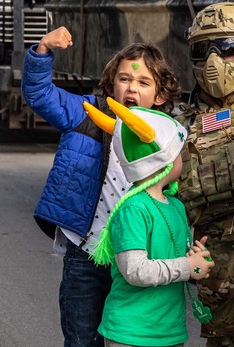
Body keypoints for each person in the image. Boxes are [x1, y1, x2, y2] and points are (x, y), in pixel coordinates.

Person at [21, 27, 182, 347]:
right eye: (124, 79)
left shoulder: (167, 133)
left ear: (160, 95)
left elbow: (176, 186)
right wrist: (42, 50)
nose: (131, 87)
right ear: (111, 84)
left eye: (143, 82)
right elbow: (40, 95)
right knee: (82, 337)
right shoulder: (85, 112)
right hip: (87, 252)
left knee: (132, 338)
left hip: (137, 257)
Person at [86, 98, 214, 347]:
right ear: (164, 162)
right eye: (180, 153)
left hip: (169, 331)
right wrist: (187, 267)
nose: (184, 159)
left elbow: (171, 257)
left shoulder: (175, 205)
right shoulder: (133, 209)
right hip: (131, 333)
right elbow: (135, 271)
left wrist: (195, 259)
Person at [175, 3, 234, 346]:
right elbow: (177, 198)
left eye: (226, 47)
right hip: (220, 278)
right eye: (202, 49)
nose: (213, 61)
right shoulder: (183, 120)